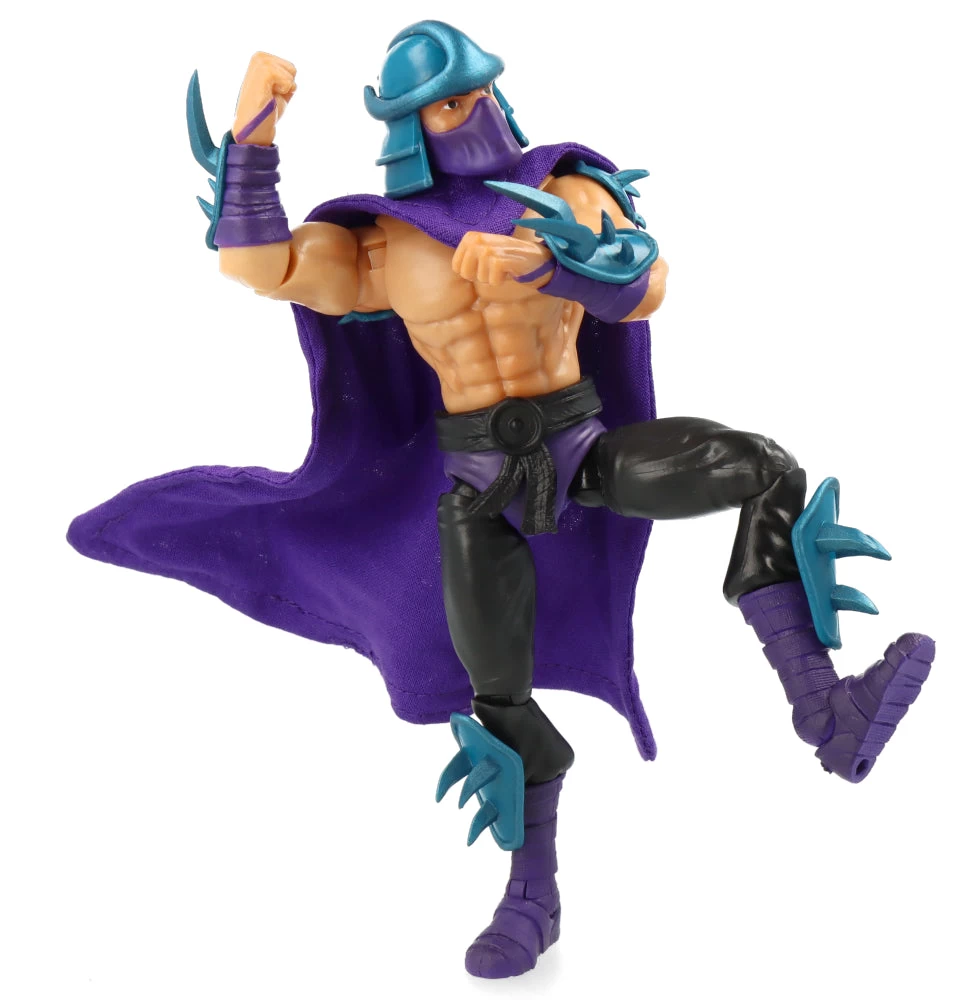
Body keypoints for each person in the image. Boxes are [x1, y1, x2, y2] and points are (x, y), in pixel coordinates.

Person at [69, 20, 934, 980]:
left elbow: (646, 282)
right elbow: (260, 266)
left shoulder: (563, 190)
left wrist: (554, 265)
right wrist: (254, 143)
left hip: (584, 449)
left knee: (760, 468)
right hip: (476, 487)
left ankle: (823, 707)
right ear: (406, 127)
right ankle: (532, 896)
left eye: (478, 92)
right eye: (448, 103)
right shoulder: (386, 244)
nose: (473, 112)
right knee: (497, 699)